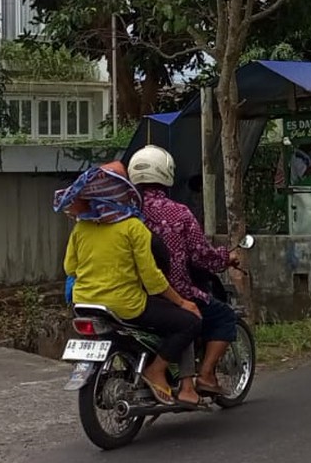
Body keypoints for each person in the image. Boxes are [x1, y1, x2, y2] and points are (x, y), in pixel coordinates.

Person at [55, 161, 203, 408]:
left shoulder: (82, 227)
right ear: (123, 194)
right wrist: (181, 301)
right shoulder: (134, 227)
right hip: (126, 306)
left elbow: (70, 268)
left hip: (84, 304)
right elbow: (152, 278)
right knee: (189, 321)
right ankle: (156, 370)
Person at [127, 145, 240, 397]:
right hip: (172, 291)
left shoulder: (124, 213)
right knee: (222, 315)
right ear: (166, 174)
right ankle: (207, 376)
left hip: (130, 292)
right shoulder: (179, 213)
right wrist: (226, 257)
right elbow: (202, 256)